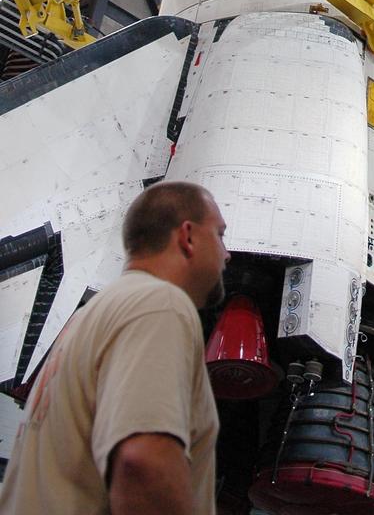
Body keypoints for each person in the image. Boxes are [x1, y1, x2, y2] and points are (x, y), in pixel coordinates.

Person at [0, 180, 229, 515]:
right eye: (220, 235)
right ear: (188, 236)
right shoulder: (159, 304)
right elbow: (144, 465)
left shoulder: (86, 319)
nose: (227, 252)